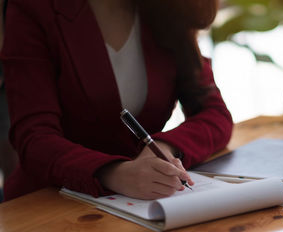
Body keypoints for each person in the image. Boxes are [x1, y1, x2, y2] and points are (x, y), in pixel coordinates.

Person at [1, 0, 233, 204]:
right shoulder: (33, 6)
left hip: (143, 207)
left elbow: (214, 113)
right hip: (46, 208)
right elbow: (34, 139)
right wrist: (114, 173)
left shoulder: (167, 7)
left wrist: (163, 148)